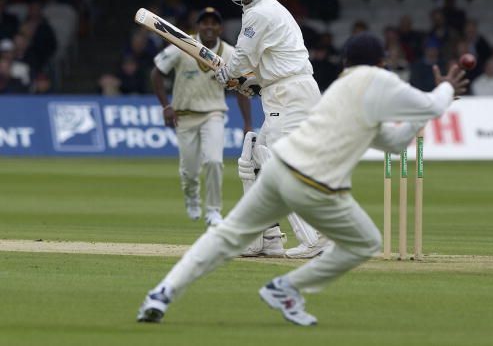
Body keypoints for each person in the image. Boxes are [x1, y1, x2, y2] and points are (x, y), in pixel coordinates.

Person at [136, 32, 468, 326]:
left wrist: (437, 100)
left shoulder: (340, 88)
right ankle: (286, 287)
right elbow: (429, 105)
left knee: (227, 236)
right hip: (316, 184)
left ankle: (161, 293)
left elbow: (394, 143)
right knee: (366, 242)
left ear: (345, 62)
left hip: (279, 169)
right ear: (381, 62)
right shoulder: (378, 80)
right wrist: (447, 88)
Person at [213, 0, 328, 258]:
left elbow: (242, 59)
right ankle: (266, 239)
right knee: (253, 160)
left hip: (291, 94)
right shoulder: (262, 11)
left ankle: (314, 237)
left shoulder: (260, 13)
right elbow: (263, 65)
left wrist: (228, 74)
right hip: (281, 92)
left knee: (277, 161)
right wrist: (247, 82)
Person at [151, 7, 252, 226]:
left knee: (215, 161)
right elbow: (157, 72)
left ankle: (214, 211)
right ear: (197, 27)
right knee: (189, 172)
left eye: (214, 23)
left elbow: (242, 88)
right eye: (204, 22)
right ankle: (192, 197)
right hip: (184, 116)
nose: (209, 26)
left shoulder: (229, 53)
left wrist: (247, 123)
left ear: (220, 28)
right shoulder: (182, 45)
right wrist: (165, 106)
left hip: (213, 114)